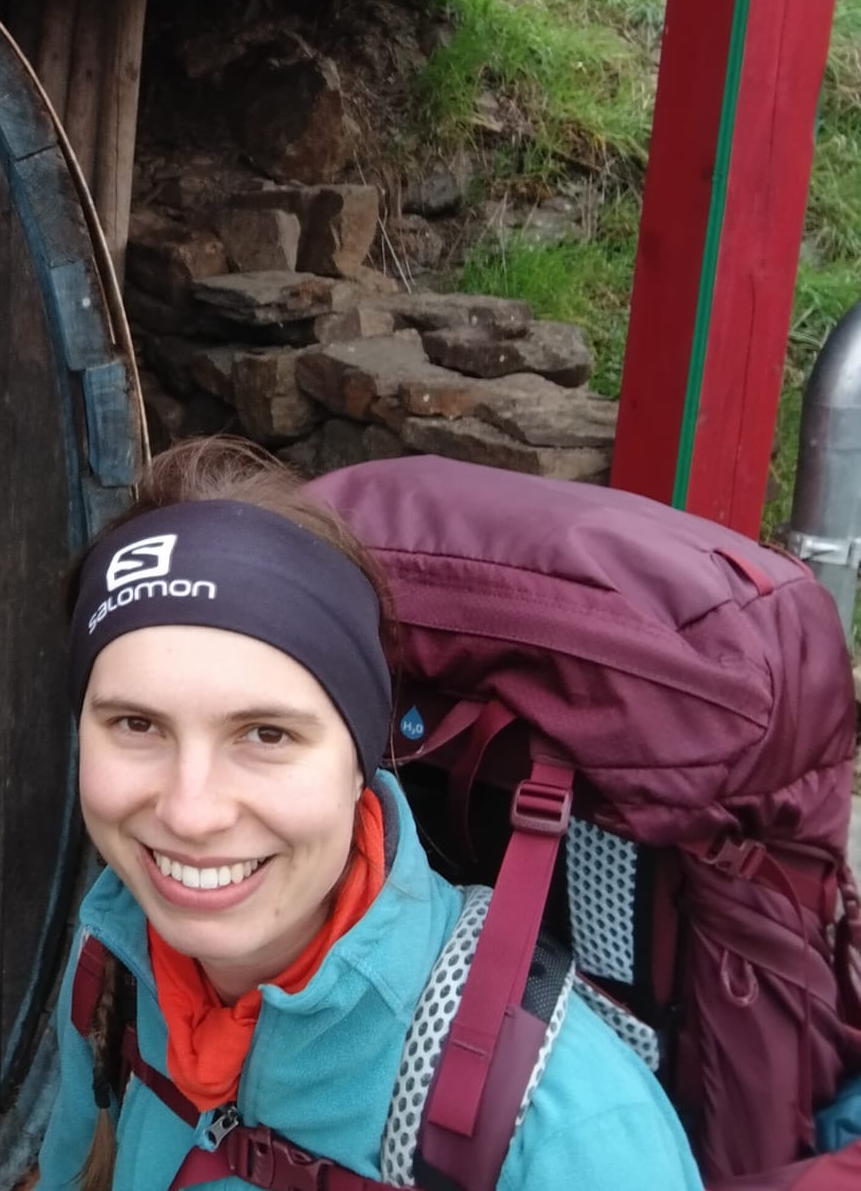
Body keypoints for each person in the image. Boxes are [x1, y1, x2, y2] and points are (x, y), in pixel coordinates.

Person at [38, 437, 701, 1191]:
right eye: (136, 725)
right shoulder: (116, 958)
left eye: (266, 734)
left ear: (361, 758)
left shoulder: (572, 1137)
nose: (190, 813)